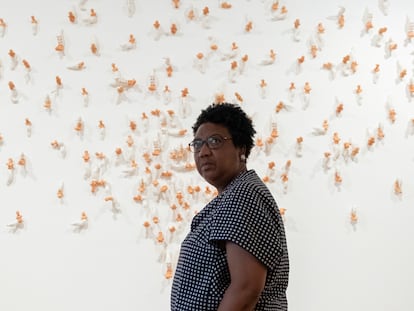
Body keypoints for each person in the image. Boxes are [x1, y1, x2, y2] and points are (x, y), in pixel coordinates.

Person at [171, 103, 289, 310]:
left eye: (214, 141)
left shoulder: (244, 194)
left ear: (241, 148)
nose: (203, 152)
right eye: (197, 144)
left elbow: (246, 288)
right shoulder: (232, 196)